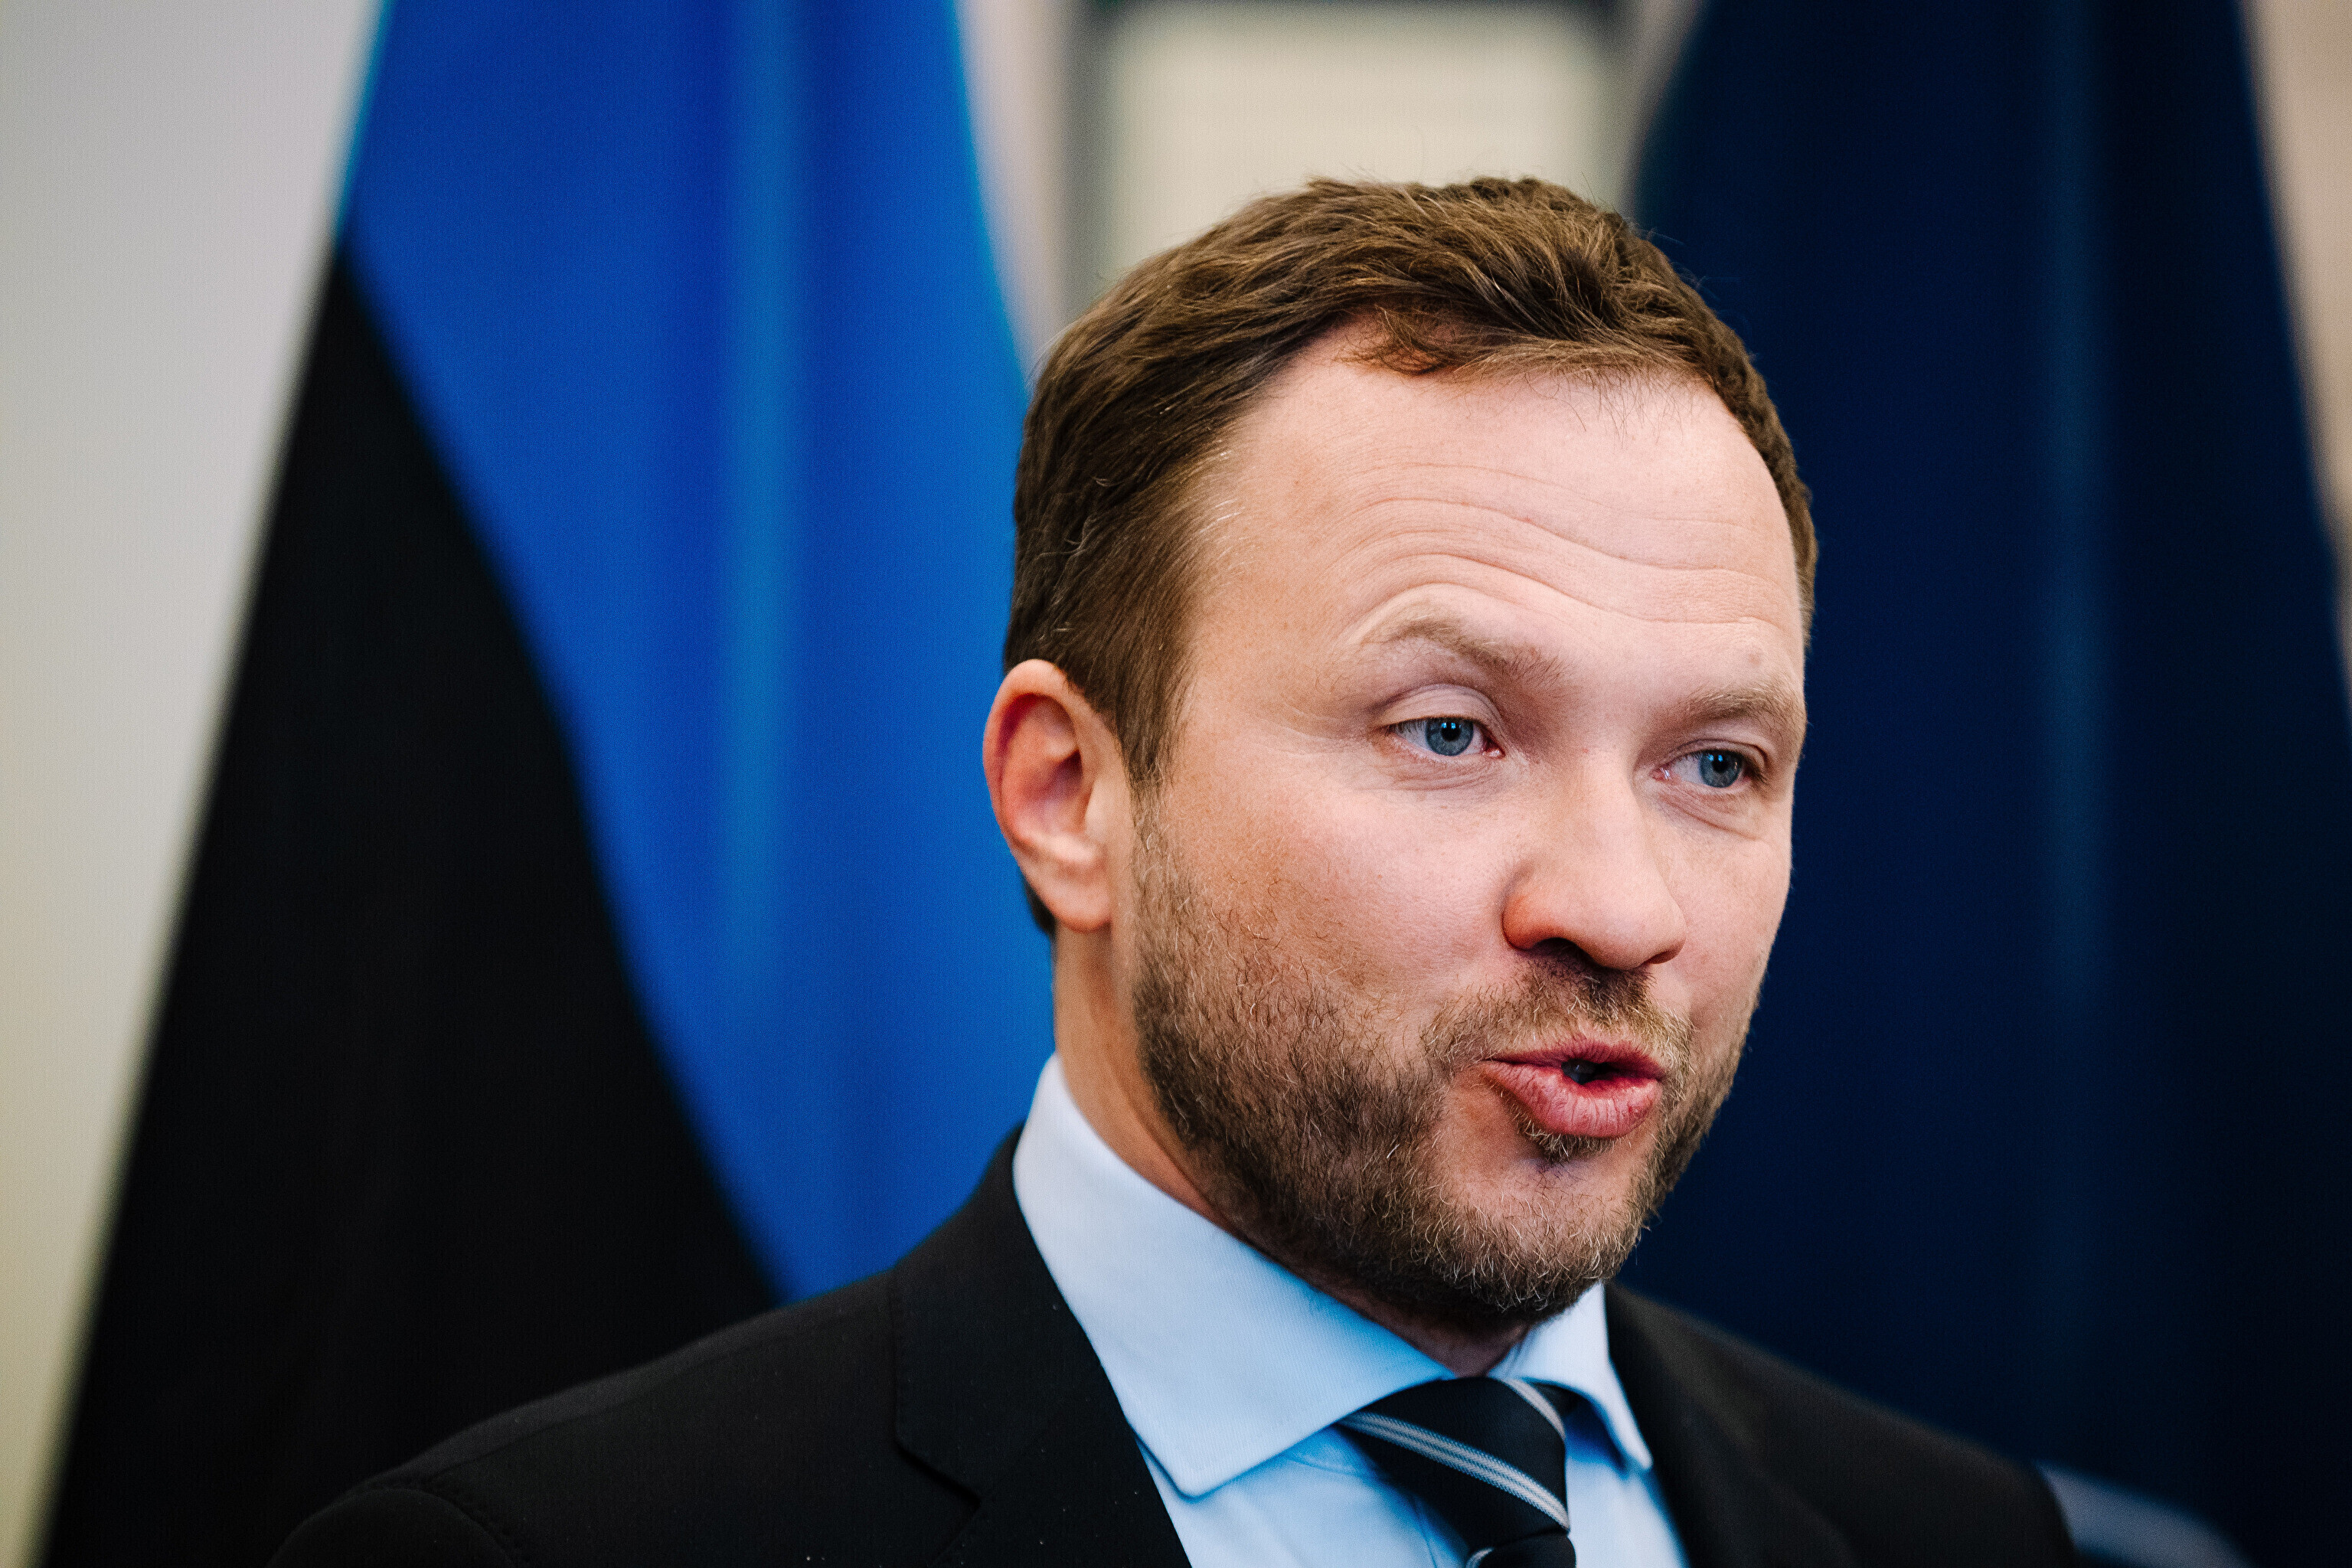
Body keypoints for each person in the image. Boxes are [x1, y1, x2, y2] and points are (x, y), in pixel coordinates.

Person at [273, 178, 2074, 1568]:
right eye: (1451, 731)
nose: (1623, 907)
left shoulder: (1965, 1537)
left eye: (1717, 764)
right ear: (1071, 794)